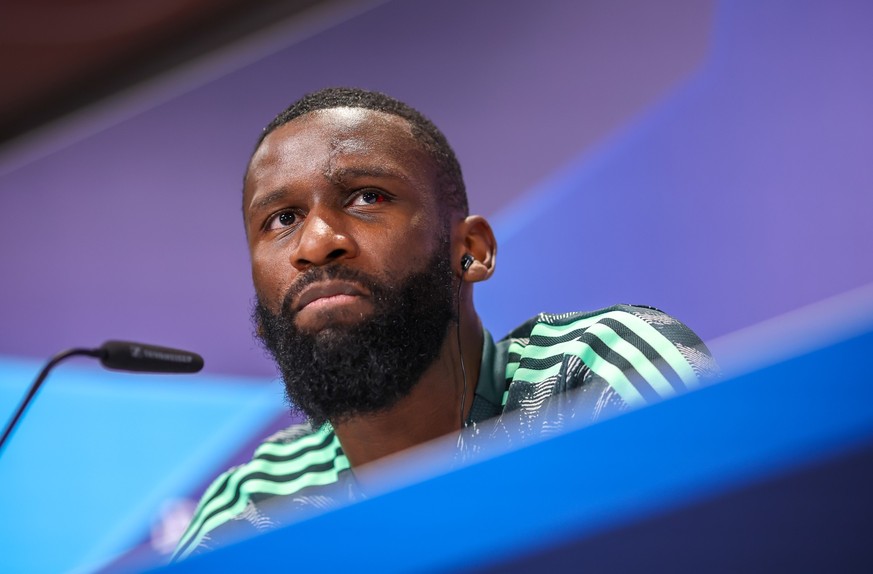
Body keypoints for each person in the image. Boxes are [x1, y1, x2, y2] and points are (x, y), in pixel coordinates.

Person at [172, 87, 717, 560]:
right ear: (264, 314)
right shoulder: (253, 512)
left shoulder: (597, 373)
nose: (316, 244)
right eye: (282, 219)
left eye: (367, 197)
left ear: (472, 250)